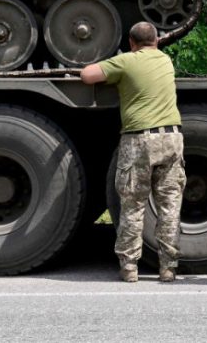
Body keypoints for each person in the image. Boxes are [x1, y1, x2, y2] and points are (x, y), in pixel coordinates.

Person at [80, 22, 185, 284]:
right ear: (157, 41)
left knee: (133, 204)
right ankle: (168, 268)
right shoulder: (166, 61)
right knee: (169, 205)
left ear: (131, 42)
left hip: (140, 139)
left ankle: (129, 268)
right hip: (172, 138)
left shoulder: (126, 61)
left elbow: (87, 75)